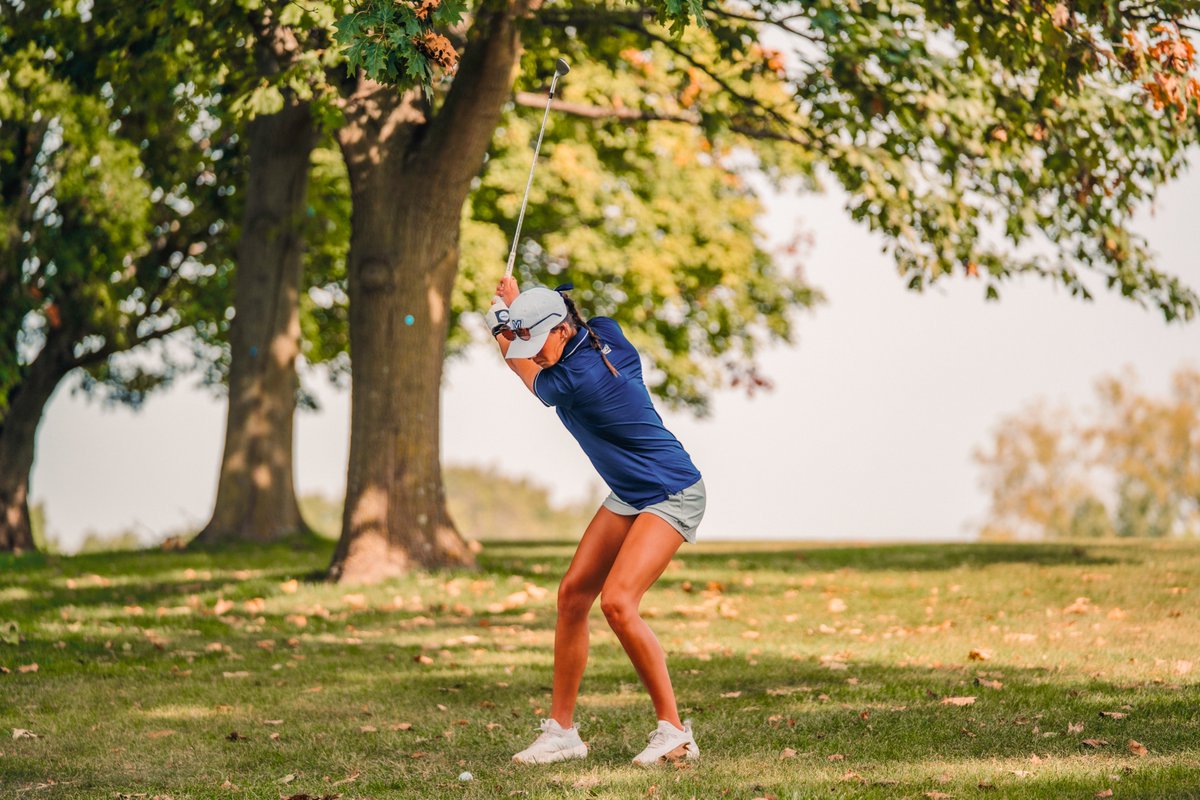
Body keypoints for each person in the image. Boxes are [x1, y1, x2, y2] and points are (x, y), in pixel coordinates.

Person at [486, 276, 707, 766]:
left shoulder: (575, 381)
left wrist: (500, 330)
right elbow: (533, 345)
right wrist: (516, 307)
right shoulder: (603, 330)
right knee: (572, 596)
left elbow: (524, 373)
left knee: (618, 603)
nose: (533, 352)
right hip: (631, 491)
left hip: (671, 490)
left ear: (562, 330)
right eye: (527, 341)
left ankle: (675, 733)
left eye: (537, 342)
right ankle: (562, 733)